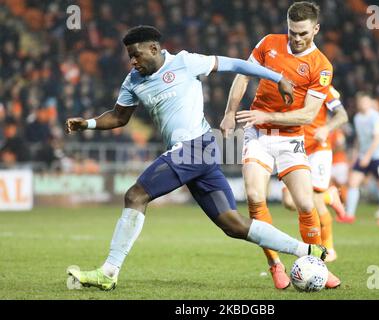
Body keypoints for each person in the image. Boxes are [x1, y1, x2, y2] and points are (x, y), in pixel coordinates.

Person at [65, 25, 327, 291]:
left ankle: (109, 271)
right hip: (198, 153)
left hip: (195, 147)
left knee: (135, 195)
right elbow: (119, 117)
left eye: (136, 54)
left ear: (154, 49)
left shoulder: (186, 62)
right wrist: (87, 124)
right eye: (130, 56)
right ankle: (307, 249)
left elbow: (235, 64)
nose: (133, 61)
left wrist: (276, 77)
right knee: (233, 224)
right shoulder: (133, 80)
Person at [220, 1, 340, 289]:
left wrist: (267, 114)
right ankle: (275, 263)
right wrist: (228, 113)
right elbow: (242, 74)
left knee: (304, 203)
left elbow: (309, 114)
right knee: (253, 196)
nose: (296, 39)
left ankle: (317, 266)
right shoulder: (269, 43)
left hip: (291, 139)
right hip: (258, 135)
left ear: (316, 29)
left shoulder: (321, 66)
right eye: (292, 32)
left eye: (303, 33)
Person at [281, 85, 349, 262]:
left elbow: (342, 116)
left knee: (316, 202)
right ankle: (330, 196)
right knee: (289, 202)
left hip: (318, 149)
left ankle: (329, 249)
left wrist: (327, 129)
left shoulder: (323, 86)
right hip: (294, 147)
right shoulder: (286, 83)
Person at [341, 92, 379, 226]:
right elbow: (359, 138)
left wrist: (368, 157)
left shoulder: (376, 117)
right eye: (360, 102)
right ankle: (349, 215)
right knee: (353, 182)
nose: (362, 104)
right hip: (363, 155)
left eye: (365, 102)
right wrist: (355, 154)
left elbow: (377, 139)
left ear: (370, 103)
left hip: (378, 156)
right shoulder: (358, 117)